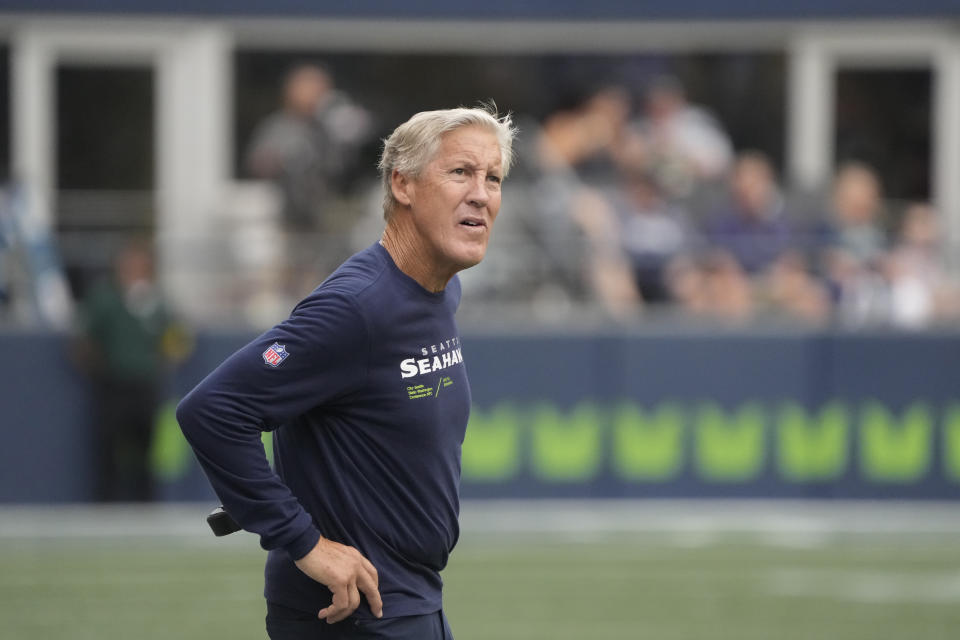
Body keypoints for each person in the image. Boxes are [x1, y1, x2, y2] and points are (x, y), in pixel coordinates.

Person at [177, 105, 516, 639]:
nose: (481, 193)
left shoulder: (441, 288)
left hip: (412, 600)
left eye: (492, 178)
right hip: (350, 614)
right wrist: (306, 544)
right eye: (460, 173)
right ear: (402, 184)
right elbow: (213, 410)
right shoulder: (356, 308)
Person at [75, 238, 186, 501]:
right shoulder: (104, 297)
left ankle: (146, 503)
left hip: (146, 383)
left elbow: (176, 339)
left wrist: (164, 360)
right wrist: (99, 370)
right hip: (113, 383)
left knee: (147, 447)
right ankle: (106, 502)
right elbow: (84, 341)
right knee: (108, 445)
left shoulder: (157, 300)